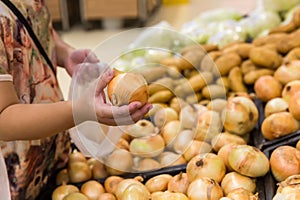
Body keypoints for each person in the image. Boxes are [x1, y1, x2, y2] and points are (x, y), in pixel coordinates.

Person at [0, 0, 152, 199]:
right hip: (19, 176)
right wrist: (80, 110)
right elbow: (3, 117)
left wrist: (64, 52)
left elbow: (29, 21)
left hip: (52, 152)